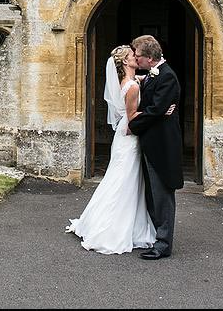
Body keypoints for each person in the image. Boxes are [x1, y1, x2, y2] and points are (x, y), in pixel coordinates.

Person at [65, 45, 156, 254]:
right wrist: (157, 115)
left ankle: (120, 224)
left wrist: (147, 77)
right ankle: (109, 230)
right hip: (129, 139)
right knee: (123, 181)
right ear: (125, 61)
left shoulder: (132, 82)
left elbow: (138, 81)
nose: (137, 57)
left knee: (124, 180)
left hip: (123, 138)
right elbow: (132, 118)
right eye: (133, 55)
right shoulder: (131, 87)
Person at [127, 35, 184, 260]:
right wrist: (138, 81)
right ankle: (155, 235)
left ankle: (163, 244)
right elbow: (155, 106)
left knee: (162, 194)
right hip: (151, 142)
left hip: (162, 145)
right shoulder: (154, 74)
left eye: (138, 56)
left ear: (150, 58)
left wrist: (132, 124)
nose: (136, 58)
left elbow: (156, 110)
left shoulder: (167, 77)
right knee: (151, 193)